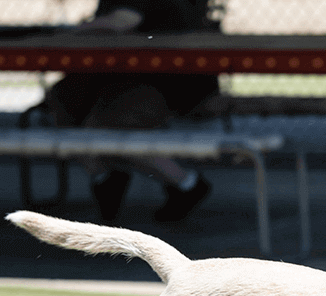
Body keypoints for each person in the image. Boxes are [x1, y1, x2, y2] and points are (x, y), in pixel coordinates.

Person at [43, 0, 219, 222]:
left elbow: (121, 22)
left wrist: (73, 31)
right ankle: (106, 177)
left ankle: (187, 184)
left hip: (167, 78)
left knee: (113, 126)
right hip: (120, 74)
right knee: (64, 96)